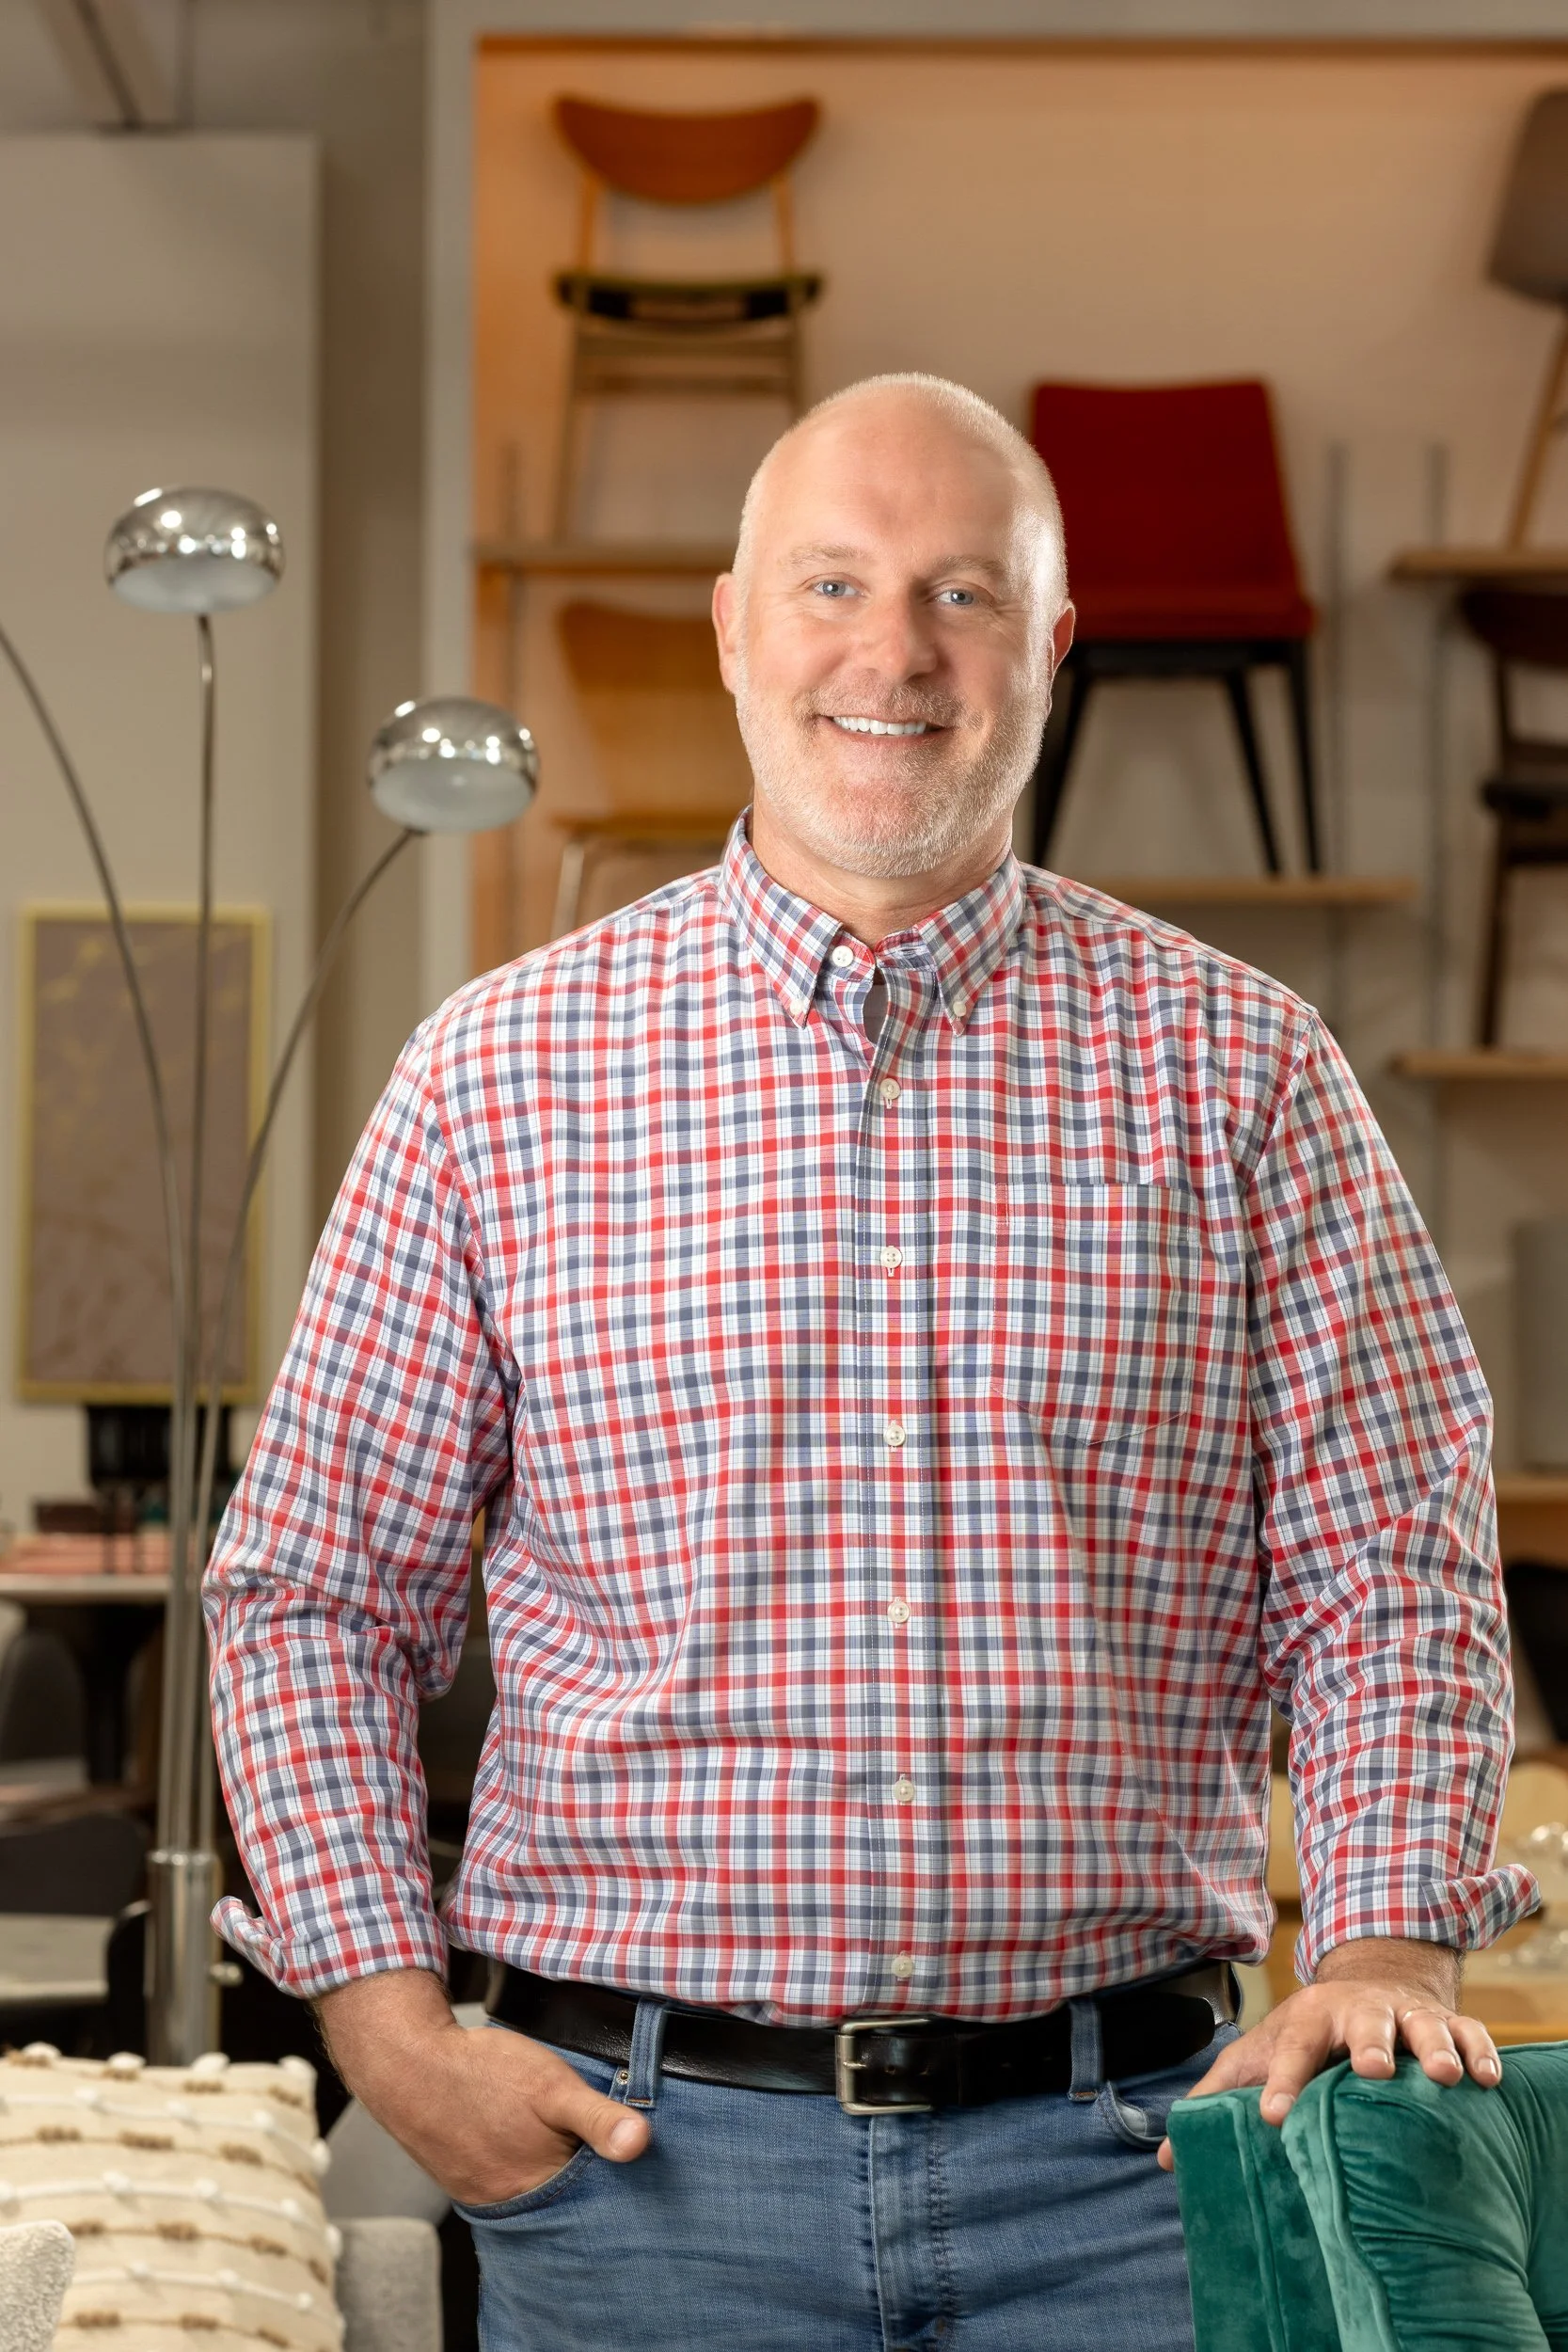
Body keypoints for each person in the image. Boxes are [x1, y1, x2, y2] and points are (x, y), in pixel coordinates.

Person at [206, 375, 1534, 2352]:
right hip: (634, 2181)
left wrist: (1376, 1932)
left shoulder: (1247, 1077)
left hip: (1135, 2174)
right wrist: (388, 2029)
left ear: (1050, 646)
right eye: (831, 583)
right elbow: (313, 1588)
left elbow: (1387, 1566)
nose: (890, 651)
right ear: (735, 625)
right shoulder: (498, 1080)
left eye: (961, 593)